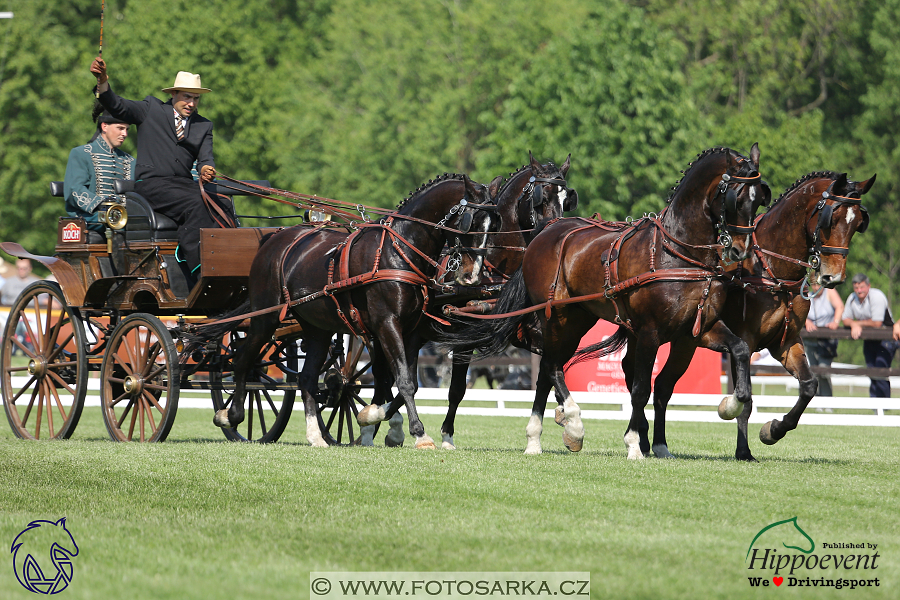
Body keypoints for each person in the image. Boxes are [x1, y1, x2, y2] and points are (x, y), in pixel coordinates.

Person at [89, 56, 234, 282]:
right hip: (152, 185)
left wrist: (207, 168)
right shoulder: (151, 109)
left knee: (224, 202)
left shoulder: (204, 125)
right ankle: (195, 264)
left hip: (183, 185)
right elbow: (117, 105)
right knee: (197, 202)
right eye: (187, 97)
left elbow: (206, 158)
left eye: (196, 98)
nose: (192, 103)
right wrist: (103, 81)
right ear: (173, 94)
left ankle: (229, 264)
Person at [63, 102, 134, 231]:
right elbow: (74, 189)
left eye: (127, 129)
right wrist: (102, 203)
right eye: (120, 128)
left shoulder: (130, 160)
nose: (125, 134)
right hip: (90, 217)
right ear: (105, 126)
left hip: (120, 215)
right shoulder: (81, 154)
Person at [841, 273, 895, 397]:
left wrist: (856, 324)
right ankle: (875, 404)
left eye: (862, 287)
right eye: (856, 288)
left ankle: (884, 406)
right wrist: (854, 325)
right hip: (869, 339)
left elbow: (877, 322)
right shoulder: (852, 298)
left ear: (868, 286)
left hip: (887, 338)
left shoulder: (877, 296)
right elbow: (845, 319)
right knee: (871, 371)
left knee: (880, 371)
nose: (859, 291)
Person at [804, 281, 844, 397]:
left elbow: (840, 307)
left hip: (827, 340)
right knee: (812, 372)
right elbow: (799, 311)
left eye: (818, 285)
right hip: (810, 339)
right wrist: (807, 321)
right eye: (814, 285)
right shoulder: (808, 296)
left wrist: (835, 322)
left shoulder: (829, 292)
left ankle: (827, 402)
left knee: (823, 370)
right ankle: (814, 401)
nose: (816, 287)